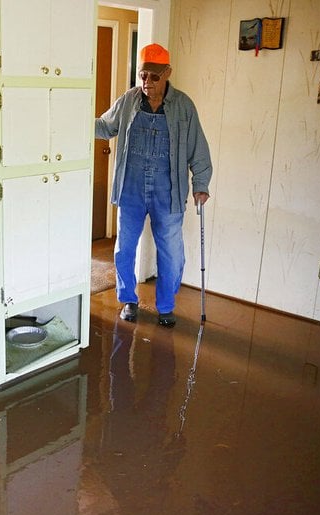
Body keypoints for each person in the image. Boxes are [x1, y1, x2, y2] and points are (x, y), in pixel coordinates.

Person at [95, 43, 212, 326]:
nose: (147, 82)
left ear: (168, 73)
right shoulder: (129, 100)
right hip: (131, 187)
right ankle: (129, 300)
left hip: (168, 190)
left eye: (154, 77)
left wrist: (201, 183)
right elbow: (105, 126)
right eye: (143, 75)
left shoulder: (184, 106)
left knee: (171, 252)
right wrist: (75, 121)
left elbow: (198, 147)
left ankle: (166, 306)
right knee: (124, 248)